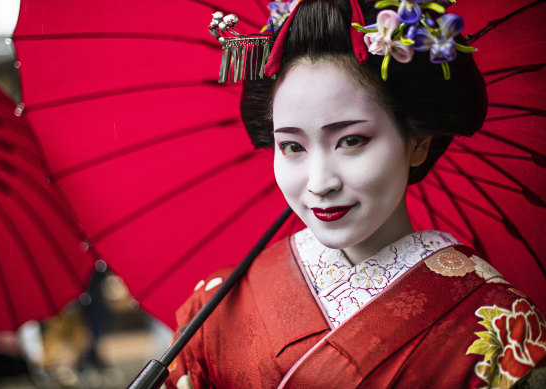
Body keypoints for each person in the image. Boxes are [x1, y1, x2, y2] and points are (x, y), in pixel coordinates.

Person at [166, 0, 546, 387]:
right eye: (292, 147)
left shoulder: (504, 329)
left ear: (418, 142)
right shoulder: (219, 306)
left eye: (350, 140)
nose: (319, 183)